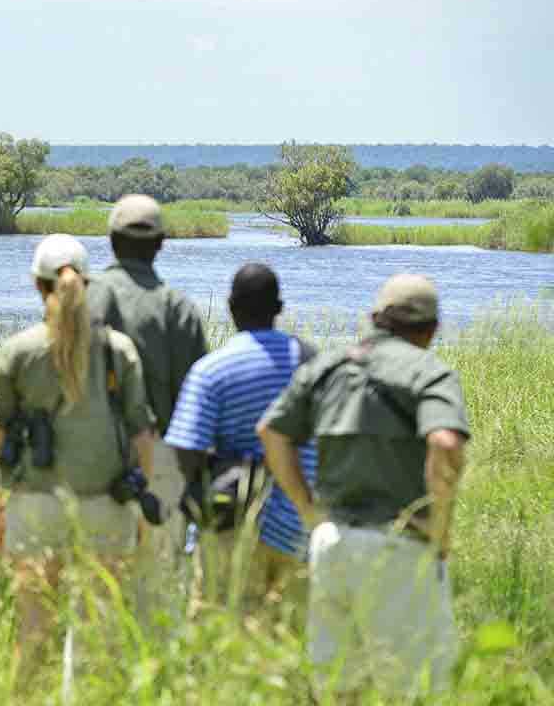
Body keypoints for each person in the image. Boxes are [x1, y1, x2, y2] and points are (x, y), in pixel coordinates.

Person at [257, 274, 469, 697]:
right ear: (431, 330)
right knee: (416, 687)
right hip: (399, 545)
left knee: (338, 686)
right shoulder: (430, 371)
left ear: (374, 318)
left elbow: (271, 432)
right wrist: (439, 528)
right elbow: (445, 443)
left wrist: (308, 510)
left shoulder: (328, 367)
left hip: (331, 543)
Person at [0, 233, 156, 696]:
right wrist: (142, 502)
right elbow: (142, 433)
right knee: (95, 634)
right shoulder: (118, 350)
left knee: (33, 631)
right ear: (88, 282)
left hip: (34, 505)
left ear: (37, 285)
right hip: (106, 505)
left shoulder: (19, 351)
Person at [164, 263, 317, 621]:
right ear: (279, 308)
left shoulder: (212, 370)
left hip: (231, 527)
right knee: (288, 637)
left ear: (231, 308)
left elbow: (184, 453)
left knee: (220, 630)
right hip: (299, 526)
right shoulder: (311, 365)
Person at [87, 194, 208, 617]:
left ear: (111, 240)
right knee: (158, 604)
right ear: (160, 244)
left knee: (93, 606)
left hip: (92, 468)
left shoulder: (86, 298)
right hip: (165, 471)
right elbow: (198, 409)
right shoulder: (181, 310)